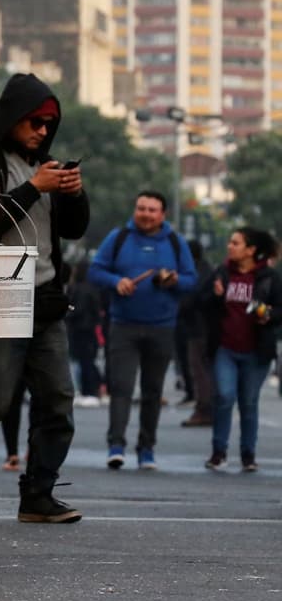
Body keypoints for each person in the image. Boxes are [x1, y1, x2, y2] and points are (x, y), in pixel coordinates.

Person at [0, 73, 89, 523]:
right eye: (34, 121)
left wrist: (73, 194)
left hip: (45, 298)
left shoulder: (50, 166)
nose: (42, 131)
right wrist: (36, 187)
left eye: (49, 124)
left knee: (57, 398)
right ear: (13, 118)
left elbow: (73, 229)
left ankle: (38, 495)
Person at [88, 191, 196, 470]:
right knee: (121, 388)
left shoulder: (175, 242)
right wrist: (116, 281)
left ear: (163, 214)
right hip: (123, 325)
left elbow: (191, 279)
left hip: (162, 327)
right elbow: (95, 271)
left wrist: (173, 280)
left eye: (152, 210)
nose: (145, 214)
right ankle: (116, 445)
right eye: (141, 208)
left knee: (152, 391)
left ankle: (147, 448)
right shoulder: (118, 237)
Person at [201, 228, 282, 472]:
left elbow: (280, 309)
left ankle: (248, 454)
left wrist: (268, 315)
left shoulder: (269, 277)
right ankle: (219, 452)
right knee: (224, 397)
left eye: (236, 243)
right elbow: (200, 303)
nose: (230, 246)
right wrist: (215, 296)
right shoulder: (222, 272)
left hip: (256, 351)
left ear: (251, 250)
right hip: (225, 347)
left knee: (248, 402)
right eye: (229, 241)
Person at [178, 240, 215, 426]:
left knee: (199, 370)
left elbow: (192, 297)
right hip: (201, 326)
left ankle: (204, 409)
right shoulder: (205, 269)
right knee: (202, 369)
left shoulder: (198, 271)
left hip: (199, 327)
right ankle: (206, 408)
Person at [67, 260, 105, 407]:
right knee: (88, 361)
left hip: (80, 329)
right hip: (90, 329)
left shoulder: (78, 288)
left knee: (83, 362)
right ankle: (92, 390)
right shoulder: (93, 288)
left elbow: (78, 309)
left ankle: (87, 391)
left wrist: (67, 313)